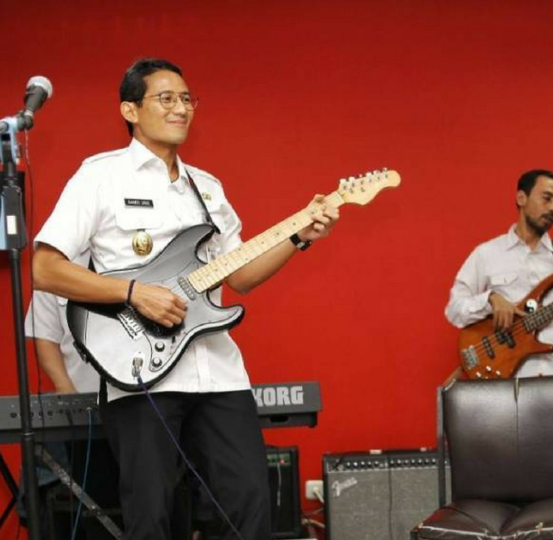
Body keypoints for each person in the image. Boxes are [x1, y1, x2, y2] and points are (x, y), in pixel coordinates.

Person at [31, 58, 339, 540]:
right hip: (139, 371)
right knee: (151, 515)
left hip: (217, 371)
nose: (181, 109)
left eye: (187, 99)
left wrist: (300, 235)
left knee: (253, 505)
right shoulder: (100, 177)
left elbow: (240, 277)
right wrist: (134, 293)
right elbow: (45, 268)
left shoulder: (208, 188)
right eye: (166, 98)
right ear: (130, 110)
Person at [445, 169, 553, 377]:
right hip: (508, 381)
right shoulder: (486, 254)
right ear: (521, 198)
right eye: (547, 198)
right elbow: (454, 310)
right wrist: (490, 300)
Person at [24, 283, 123, 540]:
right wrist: (64, 387)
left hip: (141, 405)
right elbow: (44, 336)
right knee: (95, 501)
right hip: (85, 408)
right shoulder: (55, 265)